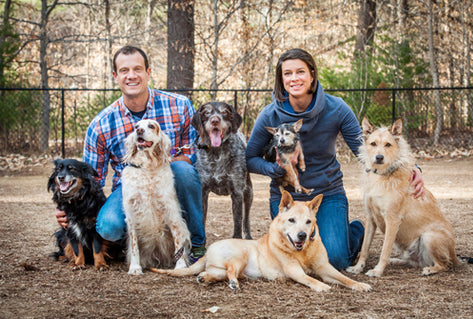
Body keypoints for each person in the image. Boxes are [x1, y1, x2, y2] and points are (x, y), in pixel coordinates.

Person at [245, 48, 424, 270]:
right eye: (287, 74)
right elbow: (250, 158)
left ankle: (354, 231)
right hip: (289, 199)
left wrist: (411, 167)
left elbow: (366, 149)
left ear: (312, 75)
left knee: (335, 260)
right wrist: (273, 169)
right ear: (281, 80)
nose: (294, 78)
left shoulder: (336, 108)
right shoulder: (269, 114)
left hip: (327, 193)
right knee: (296, 257)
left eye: (300, 72)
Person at [55, 45, 206, 263]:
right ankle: (139, 247)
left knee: (183, 170)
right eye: (124, 71)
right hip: (129, 187)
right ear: (115, 76)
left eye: (138, 69)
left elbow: (192, 154)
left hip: (167, 178)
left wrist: (157, 166)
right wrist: (66, 206)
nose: (132, 76)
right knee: (107, 227)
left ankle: (196, 246)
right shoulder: (101, 124)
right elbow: (90, 179)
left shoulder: (179, 105)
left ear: (148, 72)